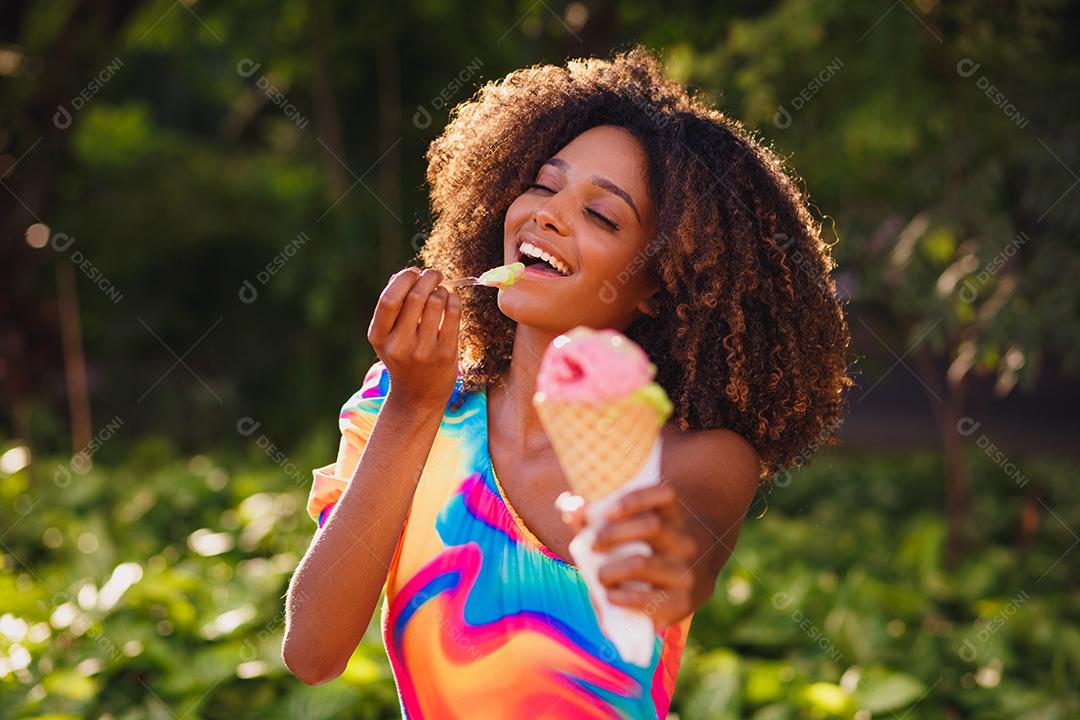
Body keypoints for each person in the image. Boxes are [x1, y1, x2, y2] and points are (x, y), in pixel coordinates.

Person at [282, 44, 852, 718]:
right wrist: (413, 406)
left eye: (602, 215)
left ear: (658, 290)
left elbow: (676, 570)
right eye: (543, 186)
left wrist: (652, 561)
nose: (546, 215)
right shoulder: (404, 401)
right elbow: (313, 653)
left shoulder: (695, 456)